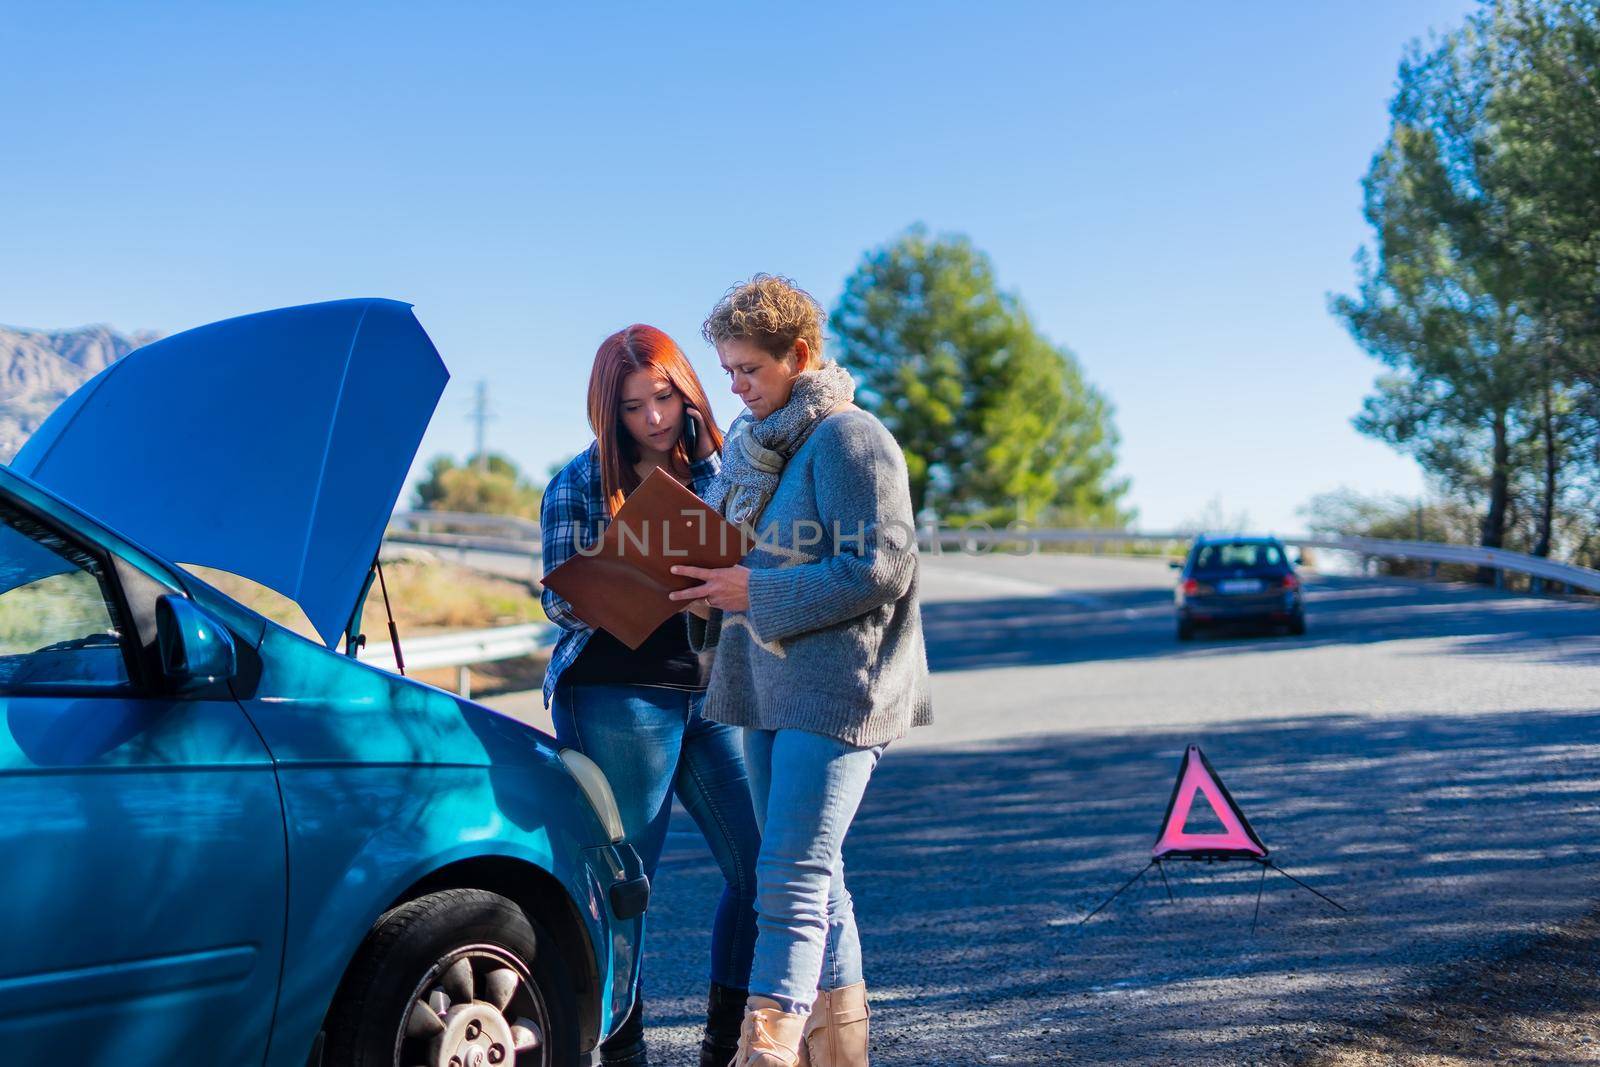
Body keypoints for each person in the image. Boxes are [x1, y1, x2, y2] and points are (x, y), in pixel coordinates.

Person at [669, 276, 932, 1067]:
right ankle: (839, 1054)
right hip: (765, 688)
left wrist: (756, 588)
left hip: (838, 690)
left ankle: (768, 1048)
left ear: (801, 355)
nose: (737, 387)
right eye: (729, 372)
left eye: (749, 368)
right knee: (824, 879)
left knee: (790, 874)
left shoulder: (851, 438)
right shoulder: (760, 454)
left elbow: (884, 565)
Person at [541, 324, 761, 1067]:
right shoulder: (578, 480)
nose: (655, 418)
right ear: (610, 411)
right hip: (618, 696)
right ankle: (624, 1051)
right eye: (634, 406)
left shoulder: (723, 470)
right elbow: (561, 603)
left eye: (664, 397)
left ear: (688, 391)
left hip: (709, 693)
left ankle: (723, 1045)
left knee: (764, 867)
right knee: (627, 889)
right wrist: (641, 581)